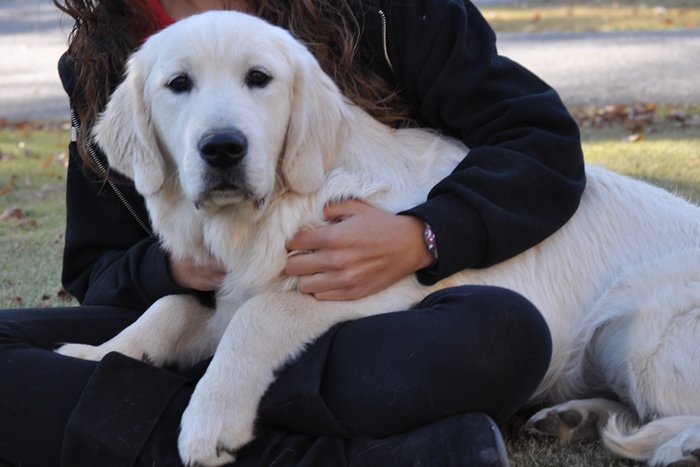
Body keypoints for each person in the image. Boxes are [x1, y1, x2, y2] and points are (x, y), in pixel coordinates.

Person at [0, 0, 585, 466]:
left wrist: (424, 234)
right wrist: (172, 272)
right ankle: (350, 456)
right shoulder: (103, 58)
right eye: (180, 86)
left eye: (258, 78)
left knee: (502, 334)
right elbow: (94, 268)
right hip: (217, 319)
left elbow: (541, 141)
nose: (222, 132)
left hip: (372, 325)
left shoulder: (382, 9)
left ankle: (179, 418)